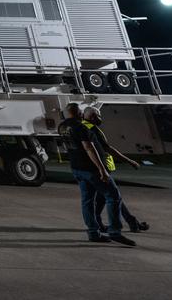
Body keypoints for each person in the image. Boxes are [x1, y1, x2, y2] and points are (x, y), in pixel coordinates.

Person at [60, 102, 135, 246]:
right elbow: (89, 148)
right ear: (79, 113)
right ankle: (115, 232)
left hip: (77, 168)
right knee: (113, 197)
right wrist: (102, 169)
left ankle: (93, 233)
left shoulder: (62, 127)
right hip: (91, 169)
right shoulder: (80, 127)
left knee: (87, 201)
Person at [83, 107, 150, 233]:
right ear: (92, 116)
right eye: (98, 115)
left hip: (93, 168)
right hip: (101, 168)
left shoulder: (82, 126)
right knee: (111, 197)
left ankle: (130, 222)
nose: (100, 118)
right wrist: (129, 161)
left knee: (106, 197)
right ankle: (125, 224)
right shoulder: (92, 129)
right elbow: (108, 148)